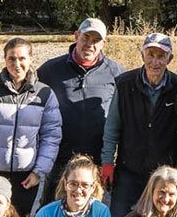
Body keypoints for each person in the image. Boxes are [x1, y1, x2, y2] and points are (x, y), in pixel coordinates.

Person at [0, 37, 63, 217]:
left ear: (30, 59)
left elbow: (51, 135)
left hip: (26, 177)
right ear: (5, 59)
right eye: (11, 58)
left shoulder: (44, 94)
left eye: (22, 58)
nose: (16, 64)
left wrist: (38, 172)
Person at [101, 33, 177, 217]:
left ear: (169, 59)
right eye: (151, 54)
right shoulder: (124, 84)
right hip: (128, 170)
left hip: (164, 173)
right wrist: (107, 162)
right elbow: (112, 127)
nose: (155, 61)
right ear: (142, 56)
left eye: (161, 56)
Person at [38, 18, 124, 200]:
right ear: (76, 36)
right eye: (86, 38)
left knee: (93, 216)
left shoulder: (117, 74)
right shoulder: (49, 70)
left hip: (97, 161)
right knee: (52, 213)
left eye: (95, 40)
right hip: (58, 160)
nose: (90, 45)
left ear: (103, 44)